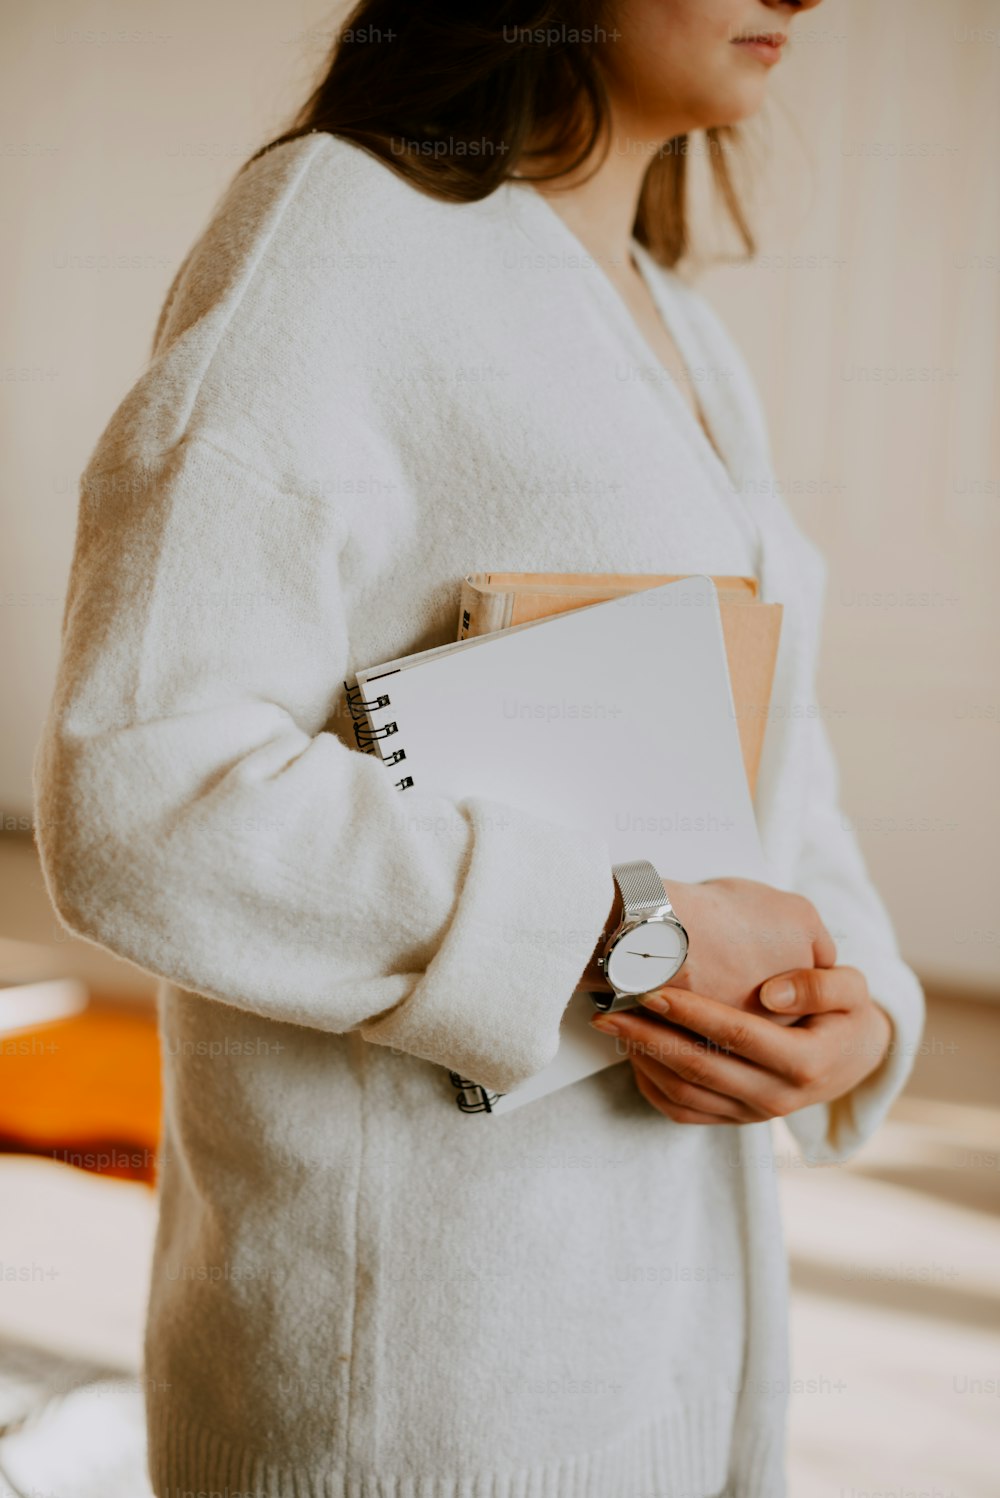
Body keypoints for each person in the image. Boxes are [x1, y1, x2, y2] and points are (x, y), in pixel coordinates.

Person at [34, 2, 925, 1495]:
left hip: (655, 1337)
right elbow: (142, 780)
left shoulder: (669, 316)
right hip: (416, 1386)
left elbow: (777, 761)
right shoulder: (332, 235)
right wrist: (624, 930)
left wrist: (859, 1007)